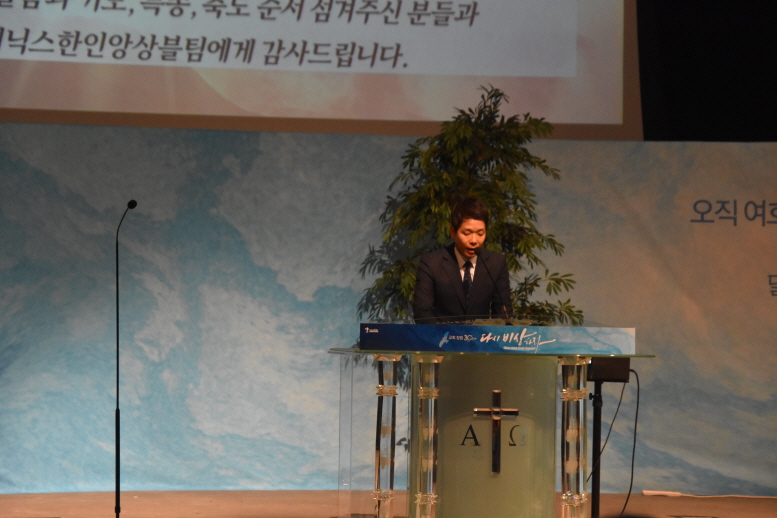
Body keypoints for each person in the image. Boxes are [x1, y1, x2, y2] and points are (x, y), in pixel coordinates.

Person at [412, 197, 512, 323]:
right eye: (467, 233)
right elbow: (422, 312)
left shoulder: (496, 263)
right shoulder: (432, 263)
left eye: (480, 234)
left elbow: (503, 312)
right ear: (453, 232)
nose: (474, 241)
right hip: (443, 334)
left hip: (481, 335)